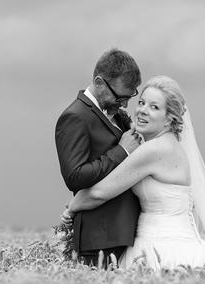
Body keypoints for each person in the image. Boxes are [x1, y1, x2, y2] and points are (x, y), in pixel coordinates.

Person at [62, 76, 205, 273]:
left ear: (170, 118)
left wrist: (71, 208)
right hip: (168, 244)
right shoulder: (167, 146)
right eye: (141, 102)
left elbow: (100, 192)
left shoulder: (155, 150)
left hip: (164, 249)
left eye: (154, 107)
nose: (142, 111)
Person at [55, 49, 142, 267]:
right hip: (100, 239)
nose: (123, 105)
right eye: (120, 97)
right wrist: (122, 151)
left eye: (128, 98)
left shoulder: (115, 115)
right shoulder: (74, 117)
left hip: (126, 234)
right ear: (99, 82)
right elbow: (75, 176)